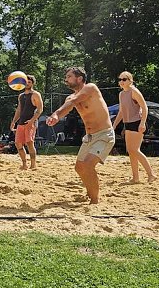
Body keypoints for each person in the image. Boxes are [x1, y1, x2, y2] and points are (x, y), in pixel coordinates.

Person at [46, 67, 114, 204]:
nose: (66, 80)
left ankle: (95, 201)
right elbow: (67, 106)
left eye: (69, 76)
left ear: (80, 78)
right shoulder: (70, 97)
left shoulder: (91, 88)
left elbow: (72, 102)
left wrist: (56, 114)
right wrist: (57, 116)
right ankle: (90, 193)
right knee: (79, 167)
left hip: (104, 134)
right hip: (89, 137)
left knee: (88, 166)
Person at [111, 71, 156, 183]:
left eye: (124, 79)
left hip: (137, 122)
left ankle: (151, 174)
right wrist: (114, 125)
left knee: (134, 150)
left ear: (130, 80)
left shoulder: (134, 91)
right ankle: (135, 178)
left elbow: (145, 108)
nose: (121, 81)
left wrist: (142, 123)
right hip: (128, 123)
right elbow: (121, 111)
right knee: (131, 151)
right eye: (120, 79)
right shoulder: (121, 94)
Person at [10, 74, 43, 170]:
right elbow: (19, 110)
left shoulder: (35, 94)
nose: (27, 84)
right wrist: (13, 121)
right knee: (18, 144)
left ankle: (33, 165)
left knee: (29, 143)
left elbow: (40, 109)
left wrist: (32, 120)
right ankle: (24, 164)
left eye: (29, 82)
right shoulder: (21, 96)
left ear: (32, 83)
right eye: (26, 82)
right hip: (21, 122)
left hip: (30, 123)